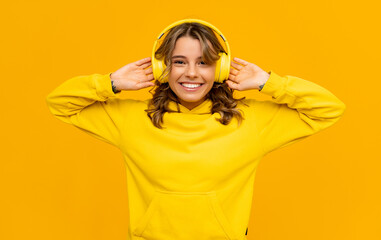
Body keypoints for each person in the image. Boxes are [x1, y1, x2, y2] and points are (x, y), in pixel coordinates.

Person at [46, 19, 346, 240]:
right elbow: (59, 103)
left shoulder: (251, 121)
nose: (191, 72)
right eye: (179, 61)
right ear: (163, 68)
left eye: (204, 62)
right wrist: (109, 82)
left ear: (221, 69)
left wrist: (270, 82)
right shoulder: (132, 119)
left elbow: (328, 109)